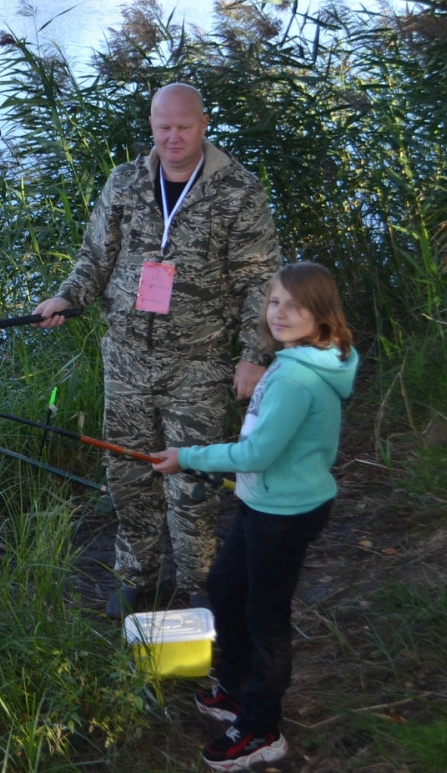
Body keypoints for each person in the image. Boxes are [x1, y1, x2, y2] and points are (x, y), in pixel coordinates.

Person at [34, 83, 279, 614]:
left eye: (183, 127)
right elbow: (95, 256)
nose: (173, 137)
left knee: (190, 484)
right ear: (150, 125)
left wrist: (253, 356)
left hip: (201, 364)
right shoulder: (124, 182)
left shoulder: (238, 190)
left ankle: (199, 586)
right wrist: (66, 296)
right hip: (124, 360)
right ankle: (136, 576)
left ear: (204, 123)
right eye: (163, 127)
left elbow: (260, 282)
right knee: (128, 475)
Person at [150, 262, 358, 771]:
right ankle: (236, 687)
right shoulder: (301, 361)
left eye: (296, 305)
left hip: (282, 515)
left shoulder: (294, 379)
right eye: (274, 302)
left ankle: (262, 729)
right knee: (225, 585)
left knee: (266, 619)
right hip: (264, 503)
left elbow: (256, 454)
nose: (281, 313)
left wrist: (189, 457)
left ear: (322, 315)